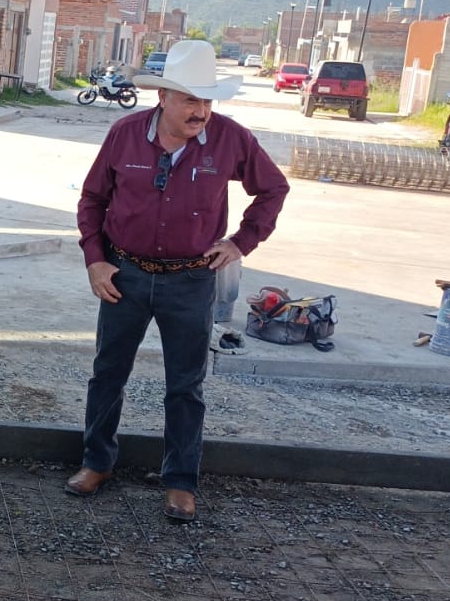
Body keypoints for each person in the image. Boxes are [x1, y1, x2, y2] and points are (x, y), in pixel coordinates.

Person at [68, 40, 289, 521]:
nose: (201, 111)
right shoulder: (125, 134)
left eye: (207, 100)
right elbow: (92, 201)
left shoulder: (231, 139)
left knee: (186, 385)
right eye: (190, 99)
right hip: (123, 275)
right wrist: (95, 260)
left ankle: (181, 482)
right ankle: (97, 463)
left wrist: (240, 243)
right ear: (162, 98)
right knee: (108, 375)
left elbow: (273, 189)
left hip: (190, 280)